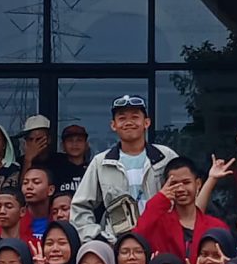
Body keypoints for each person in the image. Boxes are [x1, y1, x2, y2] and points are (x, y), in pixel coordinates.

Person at [70, 95, 179, 241]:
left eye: (135, 117)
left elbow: (186, 196)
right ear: (113, 125)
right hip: (120, 244)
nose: (128, 122)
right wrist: (98, 238)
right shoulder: (101, 162)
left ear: (147, 122)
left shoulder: (165, 156)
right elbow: (80, 207)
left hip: (163, 239)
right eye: (122, 118)